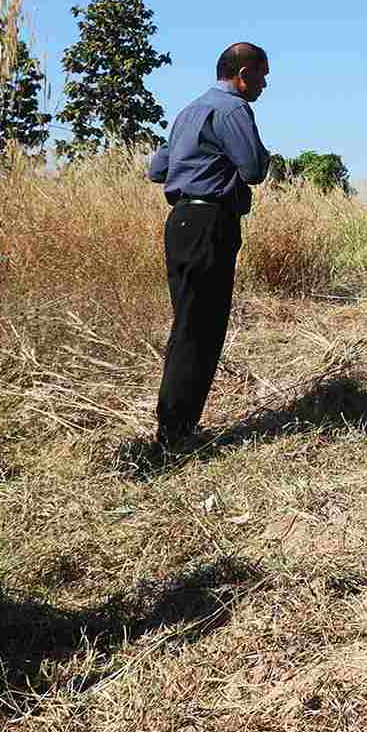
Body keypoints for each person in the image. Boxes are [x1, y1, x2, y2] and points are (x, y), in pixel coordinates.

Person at [145, 43, 271, 460]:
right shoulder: (233, 109)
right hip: (209, 224)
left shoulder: (189, 111)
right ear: (244, 73)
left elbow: (157, 169)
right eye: (262, 75)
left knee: (187, 324)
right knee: (201, 328)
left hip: (180, 221)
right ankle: (176, 434)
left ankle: (174, 426)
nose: (264, 84)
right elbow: (254, 168)